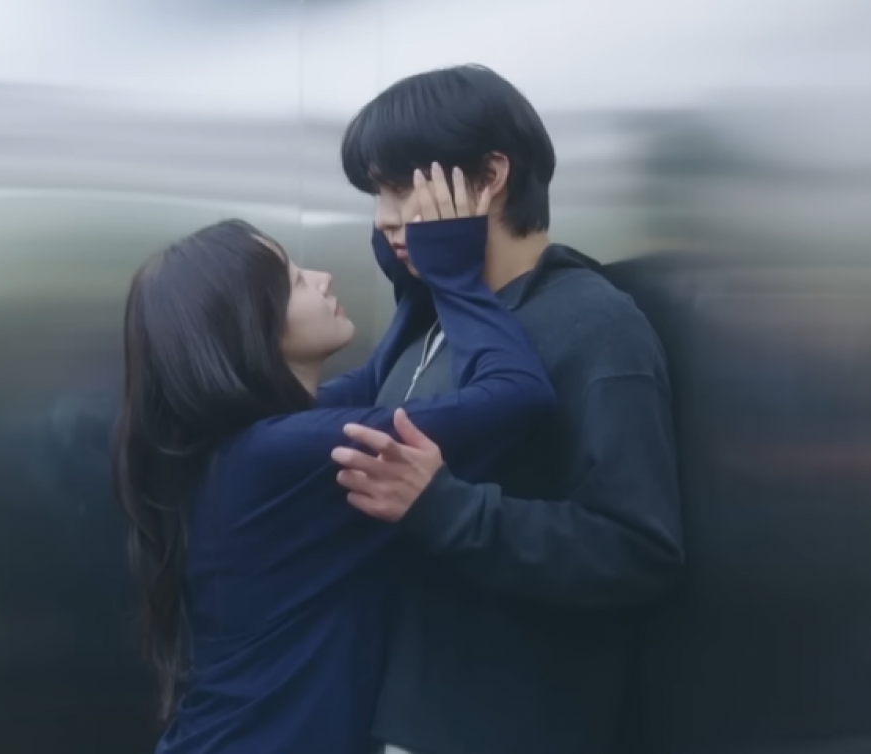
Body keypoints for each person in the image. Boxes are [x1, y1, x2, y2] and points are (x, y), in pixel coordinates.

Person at [112, 167, 557, 754]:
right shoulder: (281, 453)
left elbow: (376, 379)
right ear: (252, 328)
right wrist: (454, 276)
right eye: (296, 282)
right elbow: (516, 397)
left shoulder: (243, 443)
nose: (322, 279)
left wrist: (410, 272)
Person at [328, 64, 685, 754]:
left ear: (491, 175)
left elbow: (639, 550)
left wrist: (444, 505)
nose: (384, 217)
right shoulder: (434, 320)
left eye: (400, 186)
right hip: (395, 716)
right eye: (376, 193)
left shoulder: (595, 324)